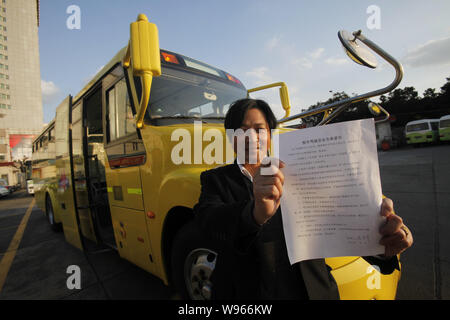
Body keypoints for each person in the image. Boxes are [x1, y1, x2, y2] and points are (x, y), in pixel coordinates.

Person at [193, 98, 413, 299]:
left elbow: (339, 222)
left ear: (270, 134)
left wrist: (380, 241)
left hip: (312, 290)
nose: (251, 137)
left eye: (259, 129)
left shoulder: (301, 169)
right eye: (242, 131)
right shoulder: (215, 179)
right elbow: (207, 223)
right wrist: (254, 214)